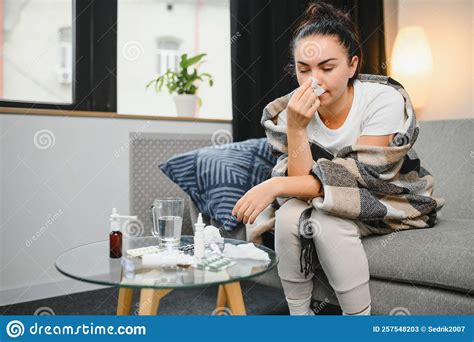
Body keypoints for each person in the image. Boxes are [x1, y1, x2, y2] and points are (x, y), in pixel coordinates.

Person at [232, 1, 408, 316]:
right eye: (303, 70)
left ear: (353, 65)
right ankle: (302, 318)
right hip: (323, 197)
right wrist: (297, 128)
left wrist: (273, 185)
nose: (313, 81)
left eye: (327, 68)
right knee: (288, 217)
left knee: (327, 219)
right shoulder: (290, 112)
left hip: (384, 195)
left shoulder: (384, 99)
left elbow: (363, 176)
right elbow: (296, 193)